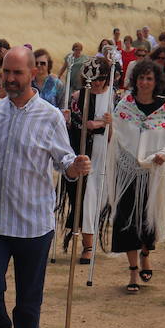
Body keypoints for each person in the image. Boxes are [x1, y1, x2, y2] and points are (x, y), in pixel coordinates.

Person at [0, 47, 90, 328]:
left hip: (34, 223)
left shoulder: (51, 116)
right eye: (5, 72)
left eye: (17, 73)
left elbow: (65, 161)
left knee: (28, 300)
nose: (9, 79)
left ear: (32, 75)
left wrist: (75, 168)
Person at [104, 59, 165, 293]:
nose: (144, 82)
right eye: (141, 78)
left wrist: (164, 154)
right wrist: (109, 125)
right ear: (135, 80)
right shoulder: (126, 104)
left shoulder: (164, 106)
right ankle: (133, 271)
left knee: (148, 217)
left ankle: (146, 252)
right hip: (127, 172)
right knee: (127, 219)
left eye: (149, 78)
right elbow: (116, 132)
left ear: (156, 82)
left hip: (153, 173)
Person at [64, 59, 112, 265]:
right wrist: (95, 124)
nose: (98, 83)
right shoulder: (79, 97)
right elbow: (78, 122)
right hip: (85, 156)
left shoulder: (114, 97)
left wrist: (108, 124)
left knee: (100, 199)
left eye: (102, 78)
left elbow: (119, 127)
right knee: (86, 199)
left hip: (106, 156)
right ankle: (88, 246)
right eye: (95, 78)